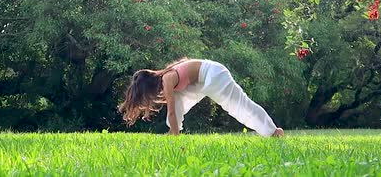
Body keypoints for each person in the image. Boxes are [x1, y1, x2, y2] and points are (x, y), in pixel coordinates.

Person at [118, 58, 284, 137]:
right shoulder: (168, 78)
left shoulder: (167, 79)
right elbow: (175, 107)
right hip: (205, 78)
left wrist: (174, 132)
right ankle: (174, 131)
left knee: (239, 106)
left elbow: (171, 112)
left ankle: (273, 131)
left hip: (214, 75)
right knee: (178, 101)